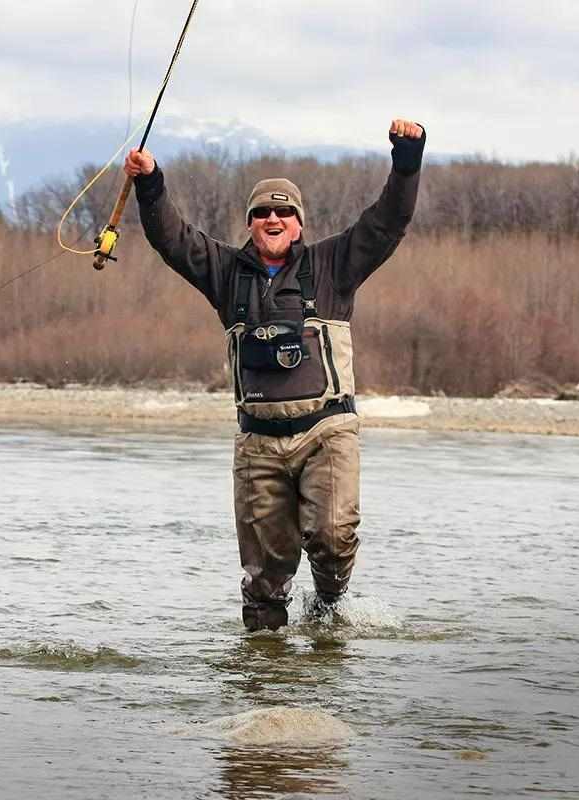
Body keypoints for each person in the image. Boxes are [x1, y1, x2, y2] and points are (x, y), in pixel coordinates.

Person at [124, 119, 426, 631]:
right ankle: (265, 680)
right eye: (262, 212)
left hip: (326, 432)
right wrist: (151, 183)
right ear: (249, 223)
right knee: (264, 583)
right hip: (258, 444)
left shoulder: (335, 265)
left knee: (332, 537)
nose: (273, 218)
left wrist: (407, 158)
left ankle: (329, 603)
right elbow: (171, 238)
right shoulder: (225, 272)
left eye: (284, 212)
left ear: (299, 223)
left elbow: (387, 223)